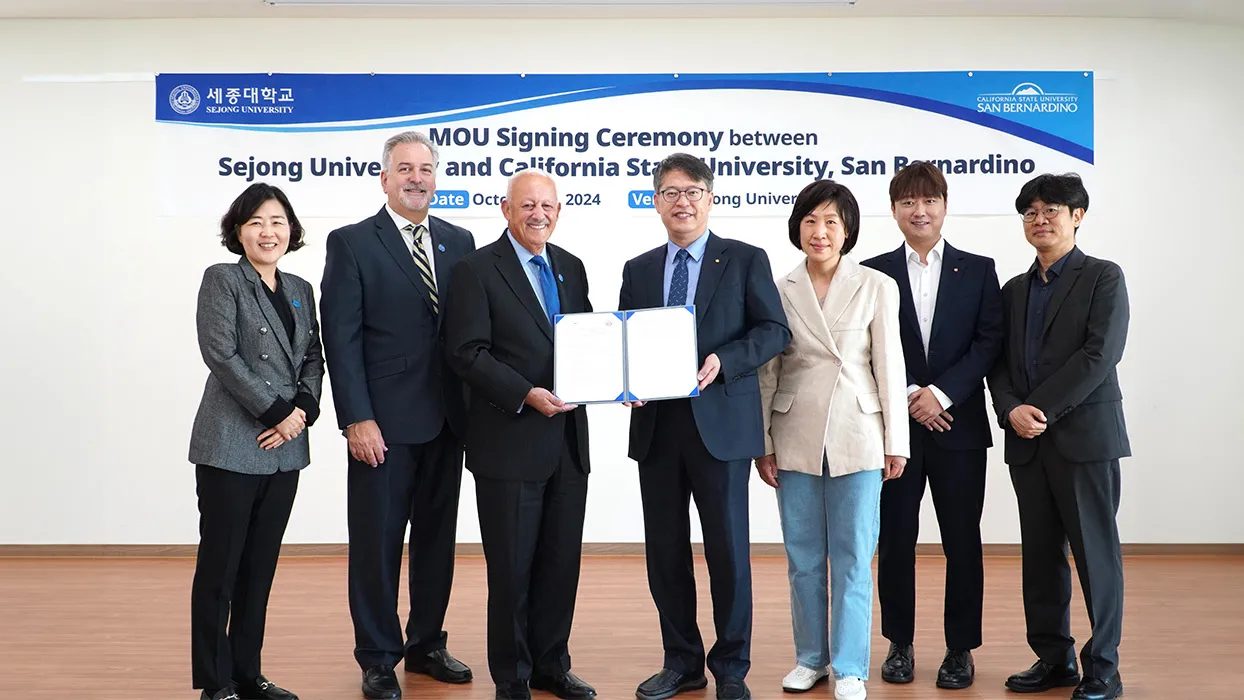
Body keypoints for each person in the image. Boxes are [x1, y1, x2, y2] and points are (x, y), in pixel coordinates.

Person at [619, 153, 790, 700]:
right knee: (664, 551)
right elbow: (625, 341)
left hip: (721, 427)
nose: (682, 201)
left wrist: (726, 360)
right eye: (669, 192)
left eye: (692, 190)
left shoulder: (743, 259)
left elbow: (773, 330)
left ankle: (732, 667)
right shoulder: (639, 268)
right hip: (657, 429)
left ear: (710, 197)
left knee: (728, 551)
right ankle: (682, 661)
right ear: (656, 202)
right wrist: (624, 382)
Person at [320, 131, 476, 700]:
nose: (417, 177)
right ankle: (379, 656)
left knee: (437, 540)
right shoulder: (354, 242)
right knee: (377, 542)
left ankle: (427, 643)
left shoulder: (461, 241)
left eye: (427, 168)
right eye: (405, 168)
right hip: (381, 425)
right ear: (385, 178)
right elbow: (342, 338)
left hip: (448, 422)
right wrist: (355, 417)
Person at [443, 169, 596, 700]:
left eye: (547, 206)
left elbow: (591, 342)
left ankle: (552, 664)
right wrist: (527, 392)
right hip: (509, 442)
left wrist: (621, 381)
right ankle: (512, 675)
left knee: (560, 563)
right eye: (527, 205)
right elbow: (466, 352)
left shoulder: (571, 268)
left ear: (559, 211)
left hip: (568, 445)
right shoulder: (475, 269)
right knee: (510, 569)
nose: (538, 215)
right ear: (506, 210)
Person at [756, 179, 908, 700]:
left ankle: (849, 666)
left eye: (831, 223)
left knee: (852, 555)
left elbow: (890, 366)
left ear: (848, 231)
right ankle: (810, 659)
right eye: (810, 221)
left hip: (858, 432)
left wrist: (897, 440)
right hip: (794, 431)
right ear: (797, 227)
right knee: (802, 557)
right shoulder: (778, 288)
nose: (820, 232)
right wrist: (764, 442)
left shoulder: (876, 286)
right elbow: (768, 371)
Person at [859, 161, 1004, 690]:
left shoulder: (979, 268)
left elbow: (989, 342)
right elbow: (863, 346)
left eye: (929, 200)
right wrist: (907, 397)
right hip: (894, 431)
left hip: (958, 428)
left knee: (962, 539)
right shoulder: (871, 272)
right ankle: (899, 643)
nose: (919, 211)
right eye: (907, 202)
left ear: (945, 205)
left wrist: (940, 394)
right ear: (894, 209)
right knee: (895, 539)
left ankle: (960, 648)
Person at [988, 173, 1129, 700]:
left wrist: (1037, 407)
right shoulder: (1013, 290)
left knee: (1096, 554)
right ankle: (1054, 659)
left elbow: (1100, 355)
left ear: (1078, 216)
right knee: (1041, 554)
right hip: (1028, 442)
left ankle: (1104, 669)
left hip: (1085, 438)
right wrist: (1010, 412)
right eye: (1030, 212)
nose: (1040, 219)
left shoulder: (1102, 277)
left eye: (1052, 210)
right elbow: (997, 364)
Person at [189, 182, 324, 700]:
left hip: (285, 447)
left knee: (260, 567)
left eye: (277, 222)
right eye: (256, 223)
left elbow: (313, 357)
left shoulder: (299, 288)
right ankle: (215, 680)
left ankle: (249, 672)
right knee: (221, 567)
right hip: (231, 443)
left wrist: (303, 412)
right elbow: (221, 354)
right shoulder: (223, 280)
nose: (268, 232)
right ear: (238, 232)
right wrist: (277, 412)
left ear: (291, 230)